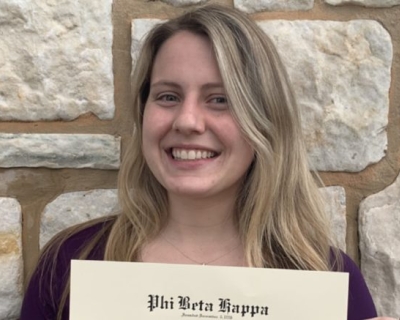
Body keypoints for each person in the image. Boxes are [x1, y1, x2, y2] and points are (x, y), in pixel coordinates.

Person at [20, 4, 394, 320]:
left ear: (264, 120)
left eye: (220, 99)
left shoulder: (327, 281)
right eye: (167, 96)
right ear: (143, 112)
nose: (187, 121)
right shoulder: (71, 262)